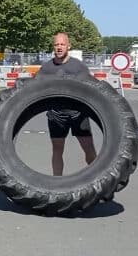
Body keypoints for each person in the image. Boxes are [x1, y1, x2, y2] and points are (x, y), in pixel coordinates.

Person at [37, 31, 97, 176]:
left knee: (89, 148)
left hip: (79, 114)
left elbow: (92, 88)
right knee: (57, 150)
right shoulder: (46, 68)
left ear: (68, 46)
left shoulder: (78, 67)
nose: (59, 47)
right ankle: (58, 182)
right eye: (56, 44)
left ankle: (96, 177)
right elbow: (35, 90)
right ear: (53, 46)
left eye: (62, 44)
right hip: (56, 114)